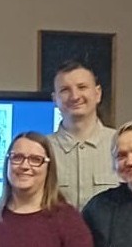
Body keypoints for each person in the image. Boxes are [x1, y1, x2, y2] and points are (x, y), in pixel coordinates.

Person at [48, 61, 118, 209]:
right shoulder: (42, 150)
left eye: (82, 87)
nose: (75, 96)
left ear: (97, 94)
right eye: (65, 90)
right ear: (55, 99)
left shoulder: (121, 145)